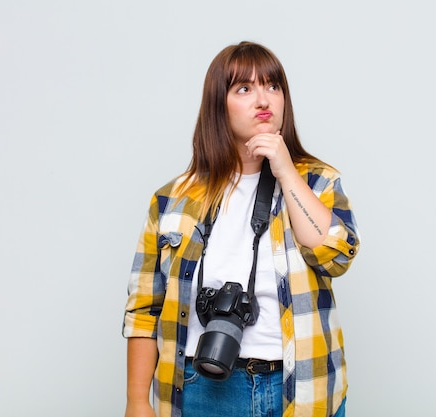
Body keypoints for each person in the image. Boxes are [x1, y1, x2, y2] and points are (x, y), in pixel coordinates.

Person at [123, 41, 360, 417]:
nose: (263, 100)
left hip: (301, 390)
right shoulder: (172, 200)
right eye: (244, 88)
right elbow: (144, 309)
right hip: (201, 389)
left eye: (273, 86)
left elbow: (335, 256)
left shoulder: (317, 183)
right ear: (219, 104)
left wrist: (285, 170)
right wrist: (137, 400)